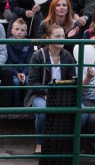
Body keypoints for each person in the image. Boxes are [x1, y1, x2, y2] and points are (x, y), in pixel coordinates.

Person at [25, 24, 75, 155]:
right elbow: (32, 83)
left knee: (84, 113)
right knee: (43, 111)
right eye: (57, 36)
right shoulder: (38, 55)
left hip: (62, 96)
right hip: (39, 95)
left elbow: (73, 79)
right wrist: (48, 92)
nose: (61, 39)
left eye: (63, 36)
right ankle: (40, 144)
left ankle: (66, 143)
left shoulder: (67, 56)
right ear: (47, 38)